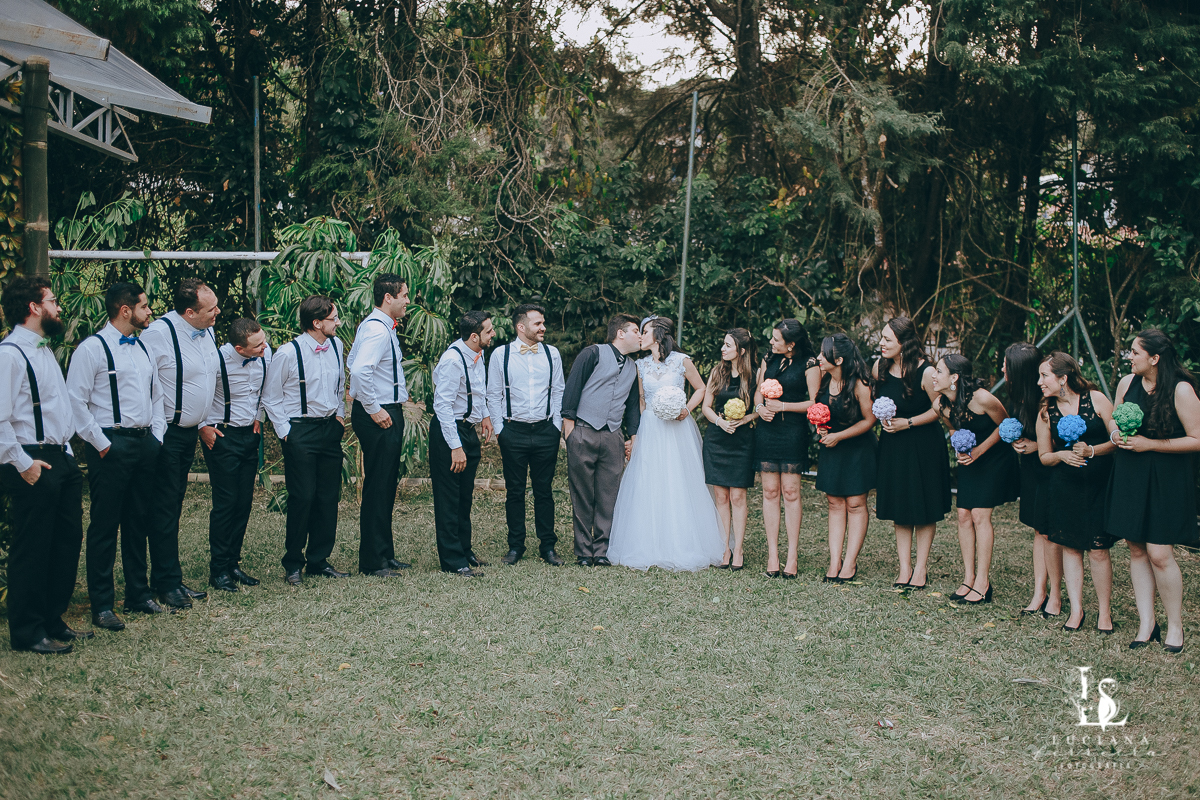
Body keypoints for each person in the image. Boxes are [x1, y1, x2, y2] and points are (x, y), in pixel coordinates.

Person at [66, 282, 165, 630]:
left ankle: (138, 593)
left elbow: (157, 396)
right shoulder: (91, 349)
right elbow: (75, 401)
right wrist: (102, 443)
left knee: (139, 521)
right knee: (105, 526)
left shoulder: (144, 349)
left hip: (144, 443)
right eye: (145, 306)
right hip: (109, 445)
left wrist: (157, 436)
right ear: (126, 311)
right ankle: (103, 603)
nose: (149, 310)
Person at [0, 277, 86, 653]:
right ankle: (27, 632)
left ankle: (52, 619)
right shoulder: (10, 354)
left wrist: (66, 452)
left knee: (65, 543)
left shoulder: (43, 349)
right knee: (33, 547)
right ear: (34, 308)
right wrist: (23, 463)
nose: (59, 307)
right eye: (52, 301)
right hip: (31, 459)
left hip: (60, 457)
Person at [1106, 329, 1200, 653]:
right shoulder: (1125, 384)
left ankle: (1176, 625)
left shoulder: (1182, 390)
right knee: (1135, 548)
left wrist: (1150, 444)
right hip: (1131, 473)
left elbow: (1197, 438)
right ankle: (1147, 624)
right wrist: (1116, 434)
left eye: (1134, 352)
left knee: (1160, 553)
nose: (1129, 357)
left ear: (1154, 358)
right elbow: (1114, 420)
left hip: (1167, 476)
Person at [608, 317, 724, 570]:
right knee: (649, 480)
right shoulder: (640, 365)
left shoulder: (681, 361)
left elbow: (701, 389)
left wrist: (686, 409)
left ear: (658, 334)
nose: (641, 336)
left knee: (678, 479)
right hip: (651, 426)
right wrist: (635, 434)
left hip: (677, 429)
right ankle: (648, 543)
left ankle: (684, 542)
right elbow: (640, 401)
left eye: (645, 331)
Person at [141, 278, 220, 609]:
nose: (218, 312)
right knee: (164, 508)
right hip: (167, 434)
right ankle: (165, 583)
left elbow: (202, 379)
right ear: (190, 312)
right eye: (211, 308)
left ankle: (170, 576)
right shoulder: (159, 334)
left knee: (174, 506)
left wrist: (203, 422)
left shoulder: (207, 329)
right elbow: (145, 383)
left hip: (190, 432)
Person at [262, 295, 349, 585]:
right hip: (300, 432)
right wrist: (286, 432)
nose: (338, 323)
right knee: (303, 497)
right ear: (316, 323)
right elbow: (271, 398)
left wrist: (339, 417)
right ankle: (293, 562)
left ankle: (319, 560)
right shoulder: (288, 353)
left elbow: (340, 386)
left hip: (329, 430)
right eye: (333, 318)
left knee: (328, 497)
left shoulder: (336, 346)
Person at [1035, 352, 1116, 634]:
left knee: (1098, 549)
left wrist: (1092, 450)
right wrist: (1062, 455)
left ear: (1063, 378)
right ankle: (1076, 609)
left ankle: (1104, 613)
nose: (1039, 382)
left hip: (1097, 485)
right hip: (1065, 486)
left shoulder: (1096, 400)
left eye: (1044, 376)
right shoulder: (1046, 411)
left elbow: (1117, 440)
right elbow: (1044, 455)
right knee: (1070, 547)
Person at [872, 316, 950, 590]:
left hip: (923, 444)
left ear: (904, 343)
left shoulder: (927, 373)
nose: (881, 344)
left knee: (924, 507)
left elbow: (939, 409)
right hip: (893, 446)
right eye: (881, 338)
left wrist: (909, 422)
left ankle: (921, 568)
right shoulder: (878, 368)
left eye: (887, 339)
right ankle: (904, 567)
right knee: (900, 506)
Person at [933, 354, 1018, 604]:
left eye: (939, 371)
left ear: (954, 378)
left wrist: (979, 450)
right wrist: (959, 446)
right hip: (970, 459)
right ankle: (968, 577)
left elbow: (1006, 426)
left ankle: (983, 581)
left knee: (980, 515)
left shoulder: (982, 398)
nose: (934, 376)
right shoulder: (941, 404)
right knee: (963, 515)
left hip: (994, 458)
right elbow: (952, 427)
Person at [486, 303, 566, 567]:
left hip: (546, 431)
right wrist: (500, 430)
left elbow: (558, 391)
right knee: (515, 491)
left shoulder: (552, 353)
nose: (543, 327)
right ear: (521, 327)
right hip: (513, 431)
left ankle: (548, 547)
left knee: (544, 491)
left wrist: (555, 426)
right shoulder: (501, 354)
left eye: (543, 323)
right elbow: (493, 394)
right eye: (537, 323)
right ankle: (515, 546)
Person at [562, 313, 643, 567]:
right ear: (621, 333)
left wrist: (632, 436)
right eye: (636, 331)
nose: (640, 336)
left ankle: (602, 551)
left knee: (609, 495)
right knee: (582, 494)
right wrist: (570, 432)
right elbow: (572, 389)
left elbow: (632, 406)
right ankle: (584, 552)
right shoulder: (592, 353)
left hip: (613, 437)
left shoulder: (633, 367)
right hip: (583, 431)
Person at [348, 274, 413, 577]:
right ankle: (373, 561)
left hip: (386, 409)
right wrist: (374, 409)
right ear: (389, 297)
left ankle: (384, 552)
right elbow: (360, 370)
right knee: (378, 486)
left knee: (386, 484)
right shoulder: (376, 329)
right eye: (404, 295)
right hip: (380, 415)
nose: (407, 302)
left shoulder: (376, 326)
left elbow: (351, 361)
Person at [200, 317, 271, 592]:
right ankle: (217, 570)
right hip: (222, 436)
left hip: (249, 436)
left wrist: (260, 416)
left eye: (263, 341)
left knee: (243, 502)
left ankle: (232, 564)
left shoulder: (266, 354)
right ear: (240, 349)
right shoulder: (216, 360)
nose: (264, 348)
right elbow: (199, 393)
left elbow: (268, 389)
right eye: (257, 346)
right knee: (226, 503)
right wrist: (202, 426)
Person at [753, 319, 820, 579]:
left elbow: (814, 402)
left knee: (791, 492)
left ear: (791, 345)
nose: (771, 342)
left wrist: (782, 407)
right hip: (767, 432)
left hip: (792, 431)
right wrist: (759, 409)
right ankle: (773, 554)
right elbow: (758, 392)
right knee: (770, 491)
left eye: (776, 339)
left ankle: (792, 556)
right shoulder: (767, 359)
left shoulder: (810, 364)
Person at [430, 311, 495, 577]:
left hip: (468, 429)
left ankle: (464, 548)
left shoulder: (477, 355)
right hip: (450, 432)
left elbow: (477, 390)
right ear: (473, 336)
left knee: (464, 496)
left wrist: (486, 416)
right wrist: (455, 446)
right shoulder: (452, 361)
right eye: (489, 331)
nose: (493, 335)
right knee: (449, 498)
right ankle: (453, 559)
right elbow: (442, 405)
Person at [1004, 342, 1063, 617]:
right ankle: (1039, 591)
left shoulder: (1048, 400)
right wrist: (1018, 443)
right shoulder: (1018, 398)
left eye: (1006, 364)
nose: (1002, 368)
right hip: (1030, 468)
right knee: (1038, 531)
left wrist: (1037, 445)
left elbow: (1063, 437)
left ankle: (1056, 594)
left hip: (1051, 469)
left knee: (1051, 532)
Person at [814, 334, 877, 584]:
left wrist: (839, 436)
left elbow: (870, 420)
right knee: (834, 503)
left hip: (857, 448)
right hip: (832, 447)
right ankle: (834, 561)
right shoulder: (822, 378)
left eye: (823, 353)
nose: (819, 357)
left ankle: (850, 562)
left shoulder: (860, 383)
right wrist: (821, 427)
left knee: (855, 503)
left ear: (838, 359)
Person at [701, 328, 759, 570]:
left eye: (728, 345)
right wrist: (720, 421)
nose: (723, 349)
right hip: (717, 438)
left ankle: (739, 549)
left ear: (741, 351)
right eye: (723, 345)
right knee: (722, 496)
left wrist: (745, 420)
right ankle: (724, 546)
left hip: (742, 440)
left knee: (738, 495)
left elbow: (760, 409)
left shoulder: (755, 376)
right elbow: (706, 406)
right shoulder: (717, 372)